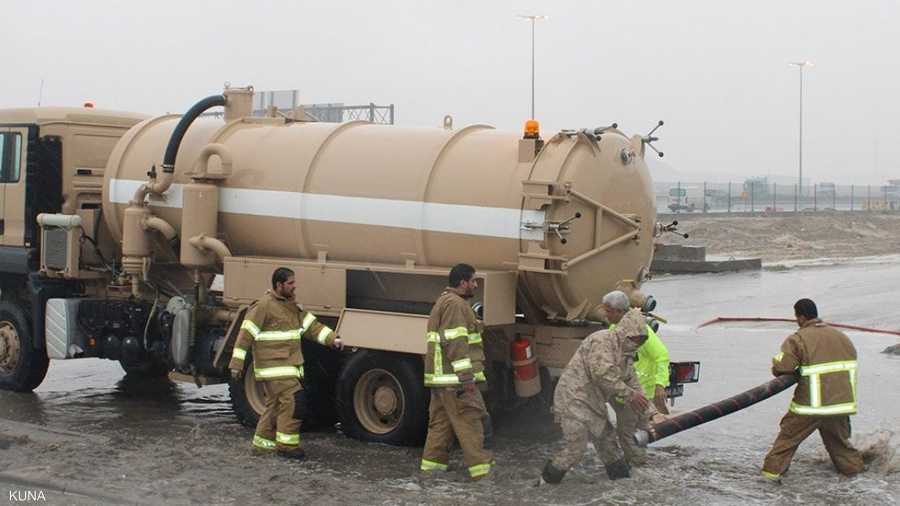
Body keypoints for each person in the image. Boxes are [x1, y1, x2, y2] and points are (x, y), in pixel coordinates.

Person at [229, 267, 342, 460]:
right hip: (273, 367)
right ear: (278, 285)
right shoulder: (263, 306)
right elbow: (245, 336)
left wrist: (332, 339)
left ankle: (262, 444)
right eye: (290, 283)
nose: (294, 286)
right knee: (293, 400)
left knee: (274, 405)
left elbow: (312, 327)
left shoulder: (292, 306)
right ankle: (287, 446)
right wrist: (236, 364)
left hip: (288, 365)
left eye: (294, 282)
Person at [542, 308, 658, 484]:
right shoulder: (603, 340)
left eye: (642, 340)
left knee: (608, 444)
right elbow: (603, 375)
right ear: (625, 332)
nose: (637, 344)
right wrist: (630, 395)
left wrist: (651, 412)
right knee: (576, 449)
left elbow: (633, 383)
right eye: (635, 338)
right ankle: (545, 482)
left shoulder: (626, 355)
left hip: (594, 403)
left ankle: (623, 487)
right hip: (574, 398)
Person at [761, 298, 864, 480]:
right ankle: (857, 481)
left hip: (810, 407)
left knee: (785, 444)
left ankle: (768, 481)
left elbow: (784, 366)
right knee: (842, 448)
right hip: (839, 405)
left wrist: (776, 365)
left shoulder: (798, 339)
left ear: (800, 317)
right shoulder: (842, 337)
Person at [420, 263, 494, 480]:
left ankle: (431, 474)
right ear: (462, 283)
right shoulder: (455, 305)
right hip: (456, 383)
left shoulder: (444, 302)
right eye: (473, 280)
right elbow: (456, 343)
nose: (476, 284)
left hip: (442, 382)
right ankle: (484, 476)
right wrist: (466, 378)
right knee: (472, 424)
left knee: (440, 429)